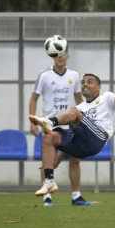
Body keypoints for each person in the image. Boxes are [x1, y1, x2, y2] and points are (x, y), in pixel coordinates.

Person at [29, 65, 115, 196]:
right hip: (81, 145)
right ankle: (49, 181)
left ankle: (49, 121)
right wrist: (57, 160)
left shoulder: (106, 98)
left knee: (74, 113)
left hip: (97, 138)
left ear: (99, 87)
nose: (85, 84)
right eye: (83, 82)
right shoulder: (80, 107)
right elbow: (71, 136)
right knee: (48, 136)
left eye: (90, 82)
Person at [29, 49, 92, 206]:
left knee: (75, 159)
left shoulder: (74, 76)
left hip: (69, 124)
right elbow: (34, 98)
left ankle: (76, 196)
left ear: (67, 56)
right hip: (50, 124)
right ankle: (47, 196)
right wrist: (32, 122)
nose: (60, 57)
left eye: (63, 54)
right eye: (57, 55)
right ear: (52, 56)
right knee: (48, 161)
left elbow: (78, 99)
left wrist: (82, 120)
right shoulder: (44, 76)